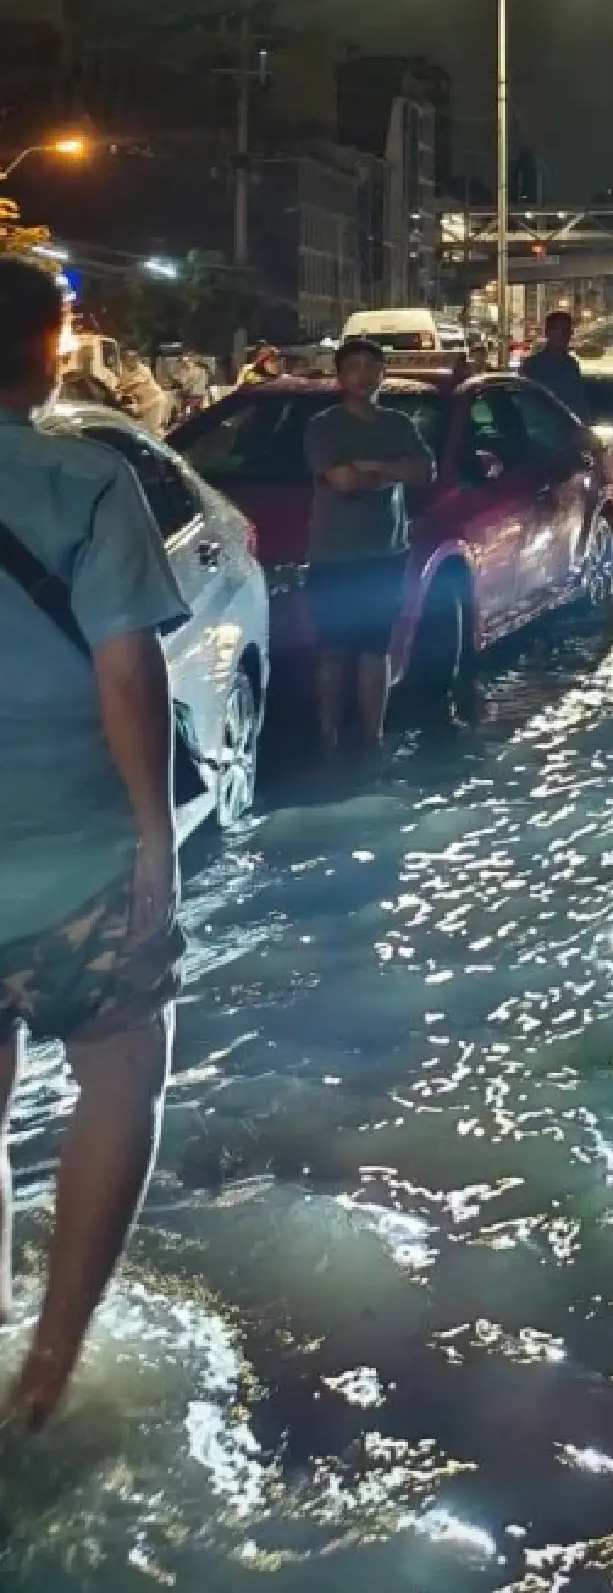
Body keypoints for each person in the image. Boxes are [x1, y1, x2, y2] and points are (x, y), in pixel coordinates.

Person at [0, 258, 188, 1428]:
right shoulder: (85, 480)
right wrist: (156, 841)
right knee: (121, 1066)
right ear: (53, 343)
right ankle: (47, 1374)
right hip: (74, 860)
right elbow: (130, 670)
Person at [303, 338, 436, 754]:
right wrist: (394, 471)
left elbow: (425, 470)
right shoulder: (324, 426)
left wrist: (373, 469)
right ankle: (328, 737)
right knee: (334, 649)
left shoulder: (397, 424)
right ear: (339, 375)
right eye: (353, 366)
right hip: (334, 552)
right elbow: (341, 480)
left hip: (386, 552)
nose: (362, 375)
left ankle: (371, 739)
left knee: (375, 647)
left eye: (370, 366)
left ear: (383, 373)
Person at [520, 310, 589, 421]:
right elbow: (526, 402)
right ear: (547, 332)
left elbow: (579, 402)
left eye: (567, 330)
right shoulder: (533, 365)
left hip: (569, 428)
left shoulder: (571, 364)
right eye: (558, 329)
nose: (564, 335)